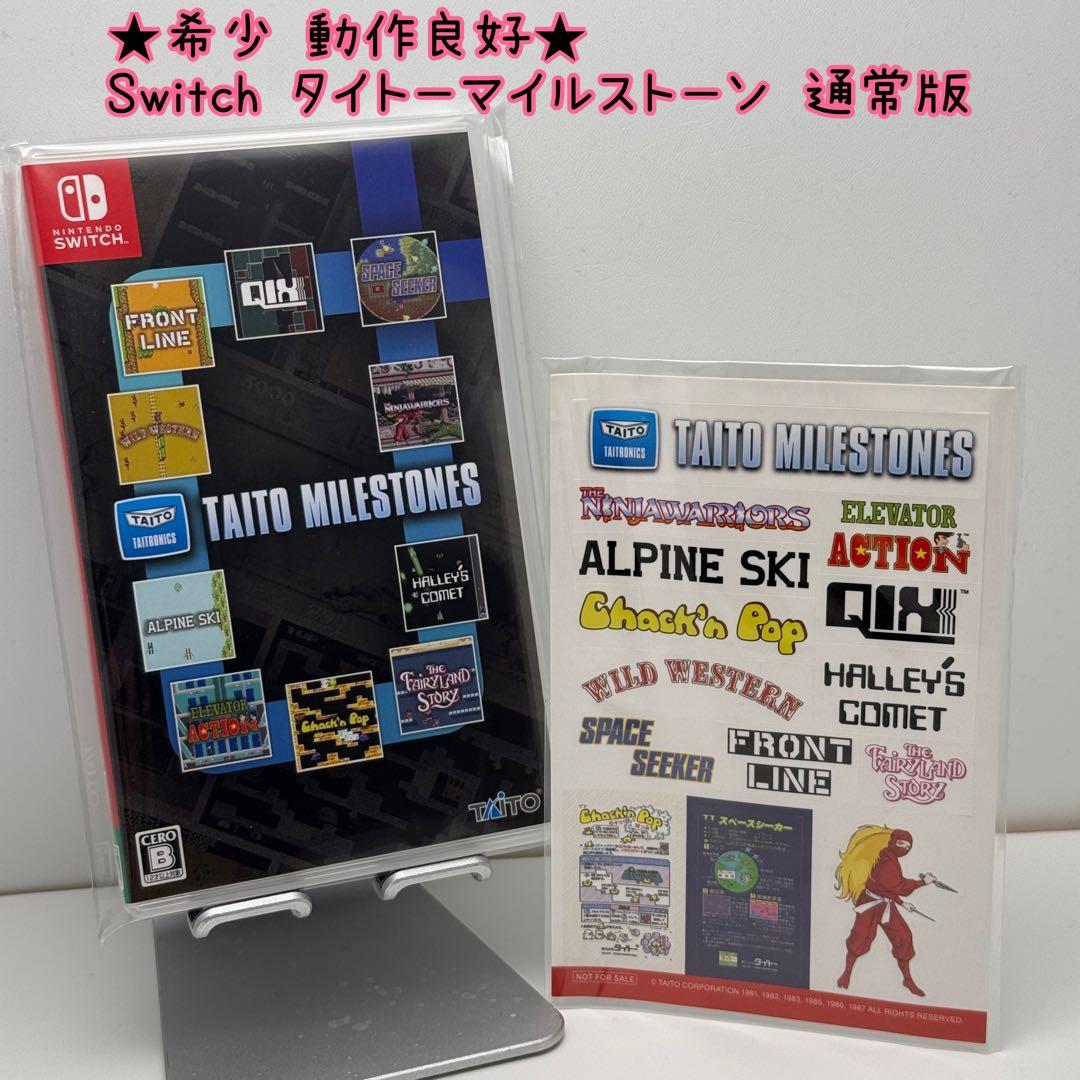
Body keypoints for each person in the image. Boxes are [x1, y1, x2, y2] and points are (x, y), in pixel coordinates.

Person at [834, 825, 937, 997]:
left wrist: (902, 903)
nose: (905, 848)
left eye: (908, 846)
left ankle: (907, 980)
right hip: (870, 904)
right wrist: (923, 882)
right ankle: (847, 973)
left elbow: (886, 887)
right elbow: (898, 886)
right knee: (860, 939)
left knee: (903, 937)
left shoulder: (891, 858)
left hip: (885, 904)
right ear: (892, 842)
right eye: (901, 843)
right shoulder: (886, 861)